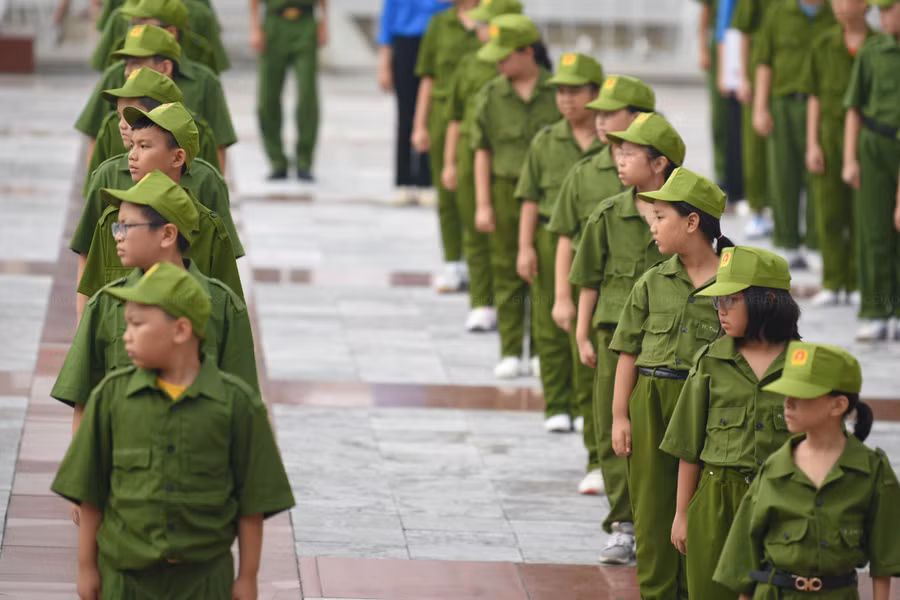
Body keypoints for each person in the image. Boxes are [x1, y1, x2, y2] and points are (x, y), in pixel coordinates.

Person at [51, 262, 295, 600]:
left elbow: (251, 501)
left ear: (180, 331)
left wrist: (248, 576)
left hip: (204, 580)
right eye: (126, 325)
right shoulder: (110, 397)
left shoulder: (236, 405)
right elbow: (90, 490)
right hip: (125, 579)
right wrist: (86, 567)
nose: (126, 336)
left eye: (137, 325)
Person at [609, 168, 734, 598]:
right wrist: (620, 416)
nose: (653, 226)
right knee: (652, 513)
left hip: (706, 406)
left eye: (661, 217)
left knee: (701, 513)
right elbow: (627, 351)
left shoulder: (734, 286)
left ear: (692, 222)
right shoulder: (652, 281)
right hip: (651, 402)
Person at [569, 112, 684, 564]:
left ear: (659, 164)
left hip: (670, 344)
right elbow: (589, 279)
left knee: (665, 433)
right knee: (613, 431)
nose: (618, 158)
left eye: (630, 152)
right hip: (612, 338)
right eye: (618, 150)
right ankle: (623, 523)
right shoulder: (608, 213)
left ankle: (667, 519)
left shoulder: (685, 215)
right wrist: (581, 333)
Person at [661, 246, 800, 600]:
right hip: (716, 500)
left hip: (782, 503)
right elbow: (687, 447)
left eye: (731, 300)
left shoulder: (804, 368)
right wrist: (682, 513)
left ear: (768, 300)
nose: (720, 311)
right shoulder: (709, 363)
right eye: (718, 301)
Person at [714, 342, 900, 599]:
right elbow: (745, 555)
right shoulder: (774, 469)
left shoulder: (872, 472)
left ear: (838, 405)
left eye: (801, 395)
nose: (787, 403)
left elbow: (885, 559)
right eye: (786, 393)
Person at [552, 75, 655, 500]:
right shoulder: (591, 176)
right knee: (605, 399)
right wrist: (564, 299)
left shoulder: (679, 196)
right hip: (610, 317)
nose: (600, 121)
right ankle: (603, 473)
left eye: (611, 113)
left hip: (662, 327)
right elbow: (572, 244)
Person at [515, 52, 604, 433]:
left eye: (575, 91)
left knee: (589, 325)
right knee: (550, 322)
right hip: (553, 239)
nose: (566, 99)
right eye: (560, 92)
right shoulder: (546, 141)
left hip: (597, 241)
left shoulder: (612, 147)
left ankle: (586, 405)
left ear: (595, 94)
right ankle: (557, 403)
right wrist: (525, 246)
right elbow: (531, 197)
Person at [78, 105, 243, 308]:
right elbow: (91, 304)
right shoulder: (114, 222)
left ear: (177, 158)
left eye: (144, 146)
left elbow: (228, 311)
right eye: (133, 146)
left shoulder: (209, 230)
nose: (132, 155)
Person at [471, 13, 559, 379]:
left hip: (548, 197)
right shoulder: (492, 95)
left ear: (527, 52)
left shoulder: (557, 94)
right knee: (506, 269)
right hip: (505, 192)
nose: (498, 62)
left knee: (545, 272)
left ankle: (542, 349)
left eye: (505, 54)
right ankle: (510, 349)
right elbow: (482, 151)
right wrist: (483, 203)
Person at [443, 0, 523, 333]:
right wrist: (448, 162)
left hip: (507, 159)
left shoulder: (518, 65)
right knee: (474, 232)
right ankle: (481, 301)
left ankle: (515, 309)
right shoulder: (469, 64)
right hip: (469, 153)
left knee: (510, 238)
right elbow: (455, 117)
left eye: (485, 24)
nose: (477, 29)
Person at [75, 24, 237, 175]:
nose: (126, 72)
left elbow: (212, 176)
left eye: (136, 63)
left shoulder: (196, 128)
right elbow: (96, 189)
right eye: (120, 115)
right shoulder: (111, 130)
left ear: (165, 68)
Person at [753, 0, 835, 269]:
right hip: (783, 104)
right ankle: (786, 241)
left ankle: (815, 243)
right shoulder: (778, 13)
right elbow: (764, 62)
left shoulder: (834, 15)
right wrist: (760, 107)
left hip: (822, 106)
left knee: (818, 174)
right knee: (782, 174)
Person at [802, 0, 871, 309]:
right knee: (828, 212)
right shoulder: (823, 44)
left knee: (862, 214)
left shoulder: (880, 46)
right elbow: (814, 97)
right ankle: (833, 280)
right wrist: (812, 143)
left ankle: (858, 280)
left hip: (864, 140)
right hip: (829, 140)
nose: (841, 6)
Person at [412, 0, 482, 293]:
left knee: (477, 194)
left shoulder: (491, 20)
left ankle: (477, 264)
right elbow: (428, 77)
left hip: (480, 117)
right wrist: (419, 124)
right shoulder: (439, 24)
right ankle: (453, 263)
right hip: (443, 118)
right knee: (447, 192)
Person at [843, 0, 900, 342]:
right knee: (874, 229)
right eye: (880, 10)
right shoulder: (872, 51)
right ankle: (878, 310)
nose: (883, 17)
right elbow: (854, 107)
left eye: (890, 9)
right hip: (874, 146)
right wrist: (850, 158)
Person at [86, 66, 221, 186]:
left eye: (133, 115)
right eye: (119, 116)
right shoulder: (108, 175)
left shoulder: (204, 179)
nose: (121, 125)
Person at [377, 0, 446, 205]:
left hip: (439, 40)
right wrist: (384, 64)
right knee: (405, 115)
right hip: (406, 43)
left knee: (433, 114)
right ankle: (403, 181)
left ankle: (428, 181)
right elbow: (388, 19)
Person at [250, 0, 327, 181]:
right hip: (274, 25)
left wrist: (324, 23)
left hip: (305, 23)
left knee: (308, 96)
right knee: (267, 98)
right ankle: (277, 160)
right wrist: (255, 28)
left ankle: (304, 161)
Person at [90, 0, 228, 75]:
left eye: (145, 26)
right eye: (133, 25)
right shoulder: (119, 17)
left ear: (172, 32)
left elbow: (213, 71)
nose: (137, 30)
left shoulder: (199, 14)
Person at [732, 0, 775, 239]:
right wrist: (744, 78)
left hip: (791, 77)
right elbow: (744, 33)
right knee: (755, 150)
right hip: (758, 76)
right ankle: (759, 211)